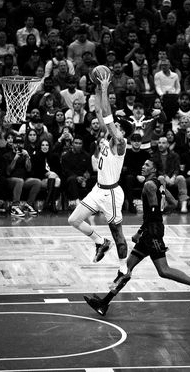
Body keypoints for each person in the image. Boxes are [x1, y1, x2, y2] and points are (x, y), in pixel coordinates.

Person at [84, 158, 190, 316]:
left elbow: (153, 212)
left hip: (151, 232)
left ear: (154, 169)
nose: (143, 166)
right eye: (143, 163)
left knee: (163, 270)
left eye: (147, 165)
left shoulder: (148, 185)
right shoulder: (159, 183)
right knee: (127, 267)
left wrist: (140, 231)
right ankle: (104, 303)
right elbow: (173, 203)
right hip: (153, 230)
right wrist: (158, 218)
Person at [68, 72, 134, 274]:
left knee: (118, 234)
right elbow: (99, 111)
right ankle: (100, 242)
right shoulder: (107, 135)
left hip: (112, 194)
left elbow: (107, 114)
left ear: (121, 130)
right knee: (73, 220)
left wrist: (105, 89)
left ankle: (123, 268)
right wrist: (97, 88)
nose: (113, 125)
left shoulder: (121, 143)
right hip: (98, 190)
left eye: (117, 125)